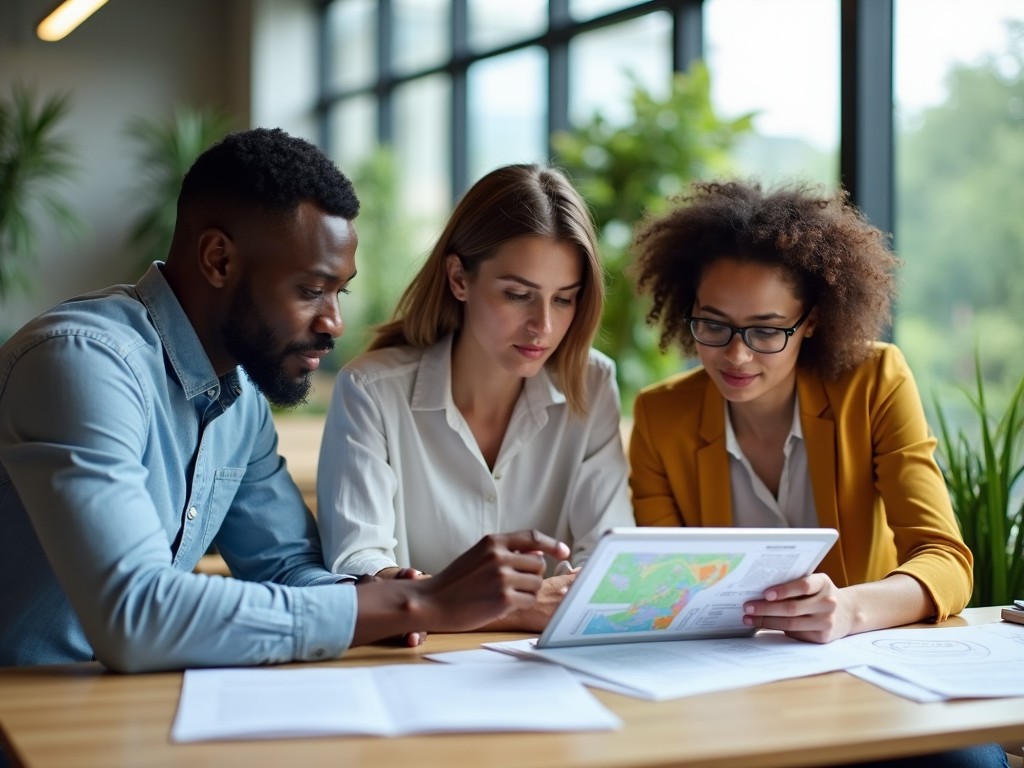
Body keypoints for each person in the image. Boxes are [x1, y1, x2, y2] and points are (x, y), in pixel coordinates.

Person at [0, 128, 569, 673]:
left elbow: (287, 564)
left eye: (338, 292)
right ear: (219, 260)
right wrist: (420, 605)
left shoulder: (240, 400)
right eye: (310, 290)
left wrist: (376, 595)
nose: (335, 323)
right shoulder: (82, 362)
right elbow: (135, 614)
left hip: (119, 712)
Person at [627, 179, 1009, 768]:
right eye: (714, 324)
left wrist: (850, 609)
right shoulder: (661, 416)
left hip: (873, 676)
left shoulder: (875, 381)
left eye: (765, 329)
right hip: (727, 690)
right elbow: (665, 596)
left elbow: (944, 559)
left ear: (810, 322)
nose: (736, 355)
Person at [317, 163, 634, 632]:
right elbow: (360, 569)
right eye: (517, 295)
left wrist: (432, 600)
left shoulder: (590, 383)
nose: (543, 326)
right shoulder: (371, 390)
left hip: (545, 674)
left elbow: (611, 559)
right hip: (410, 674)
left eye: (564, 299)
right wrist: (523, 608)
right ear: (459, 278)